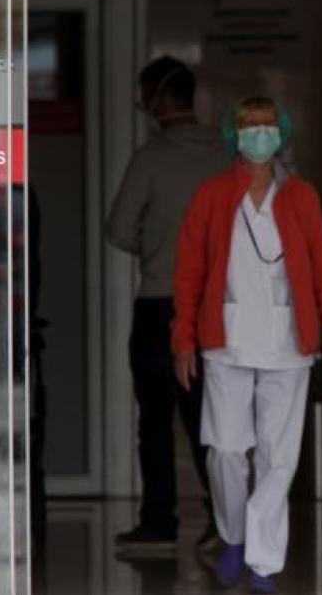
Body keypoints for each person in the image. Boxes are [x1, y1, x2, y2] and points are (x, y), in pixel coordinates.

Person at [172, 95, 322, 594]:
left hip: (290, 345)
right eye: (249, 125)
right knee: (226, 451)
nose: (258, 133)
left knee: (278, 458)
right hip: (224, 341)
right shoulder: (210, 196)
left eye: (267, 125)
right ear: (234, 133)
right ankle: (232, 536)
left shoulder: (301, 198)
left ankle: (263, 562)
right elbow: (187, 274)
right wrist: (182, 339)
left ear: (281, 133)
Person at [107, 56, 231, 551]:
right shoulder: (227, 156)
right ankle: (225, 517)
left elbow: (118, 229)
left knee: (155, 418)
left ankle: (160, 521)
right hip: (217, 308)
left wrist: (157, 247)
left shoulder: (150, 158)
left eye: (145, 94)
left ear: (158, 96)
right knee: (211, 418)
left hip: (161, 302)